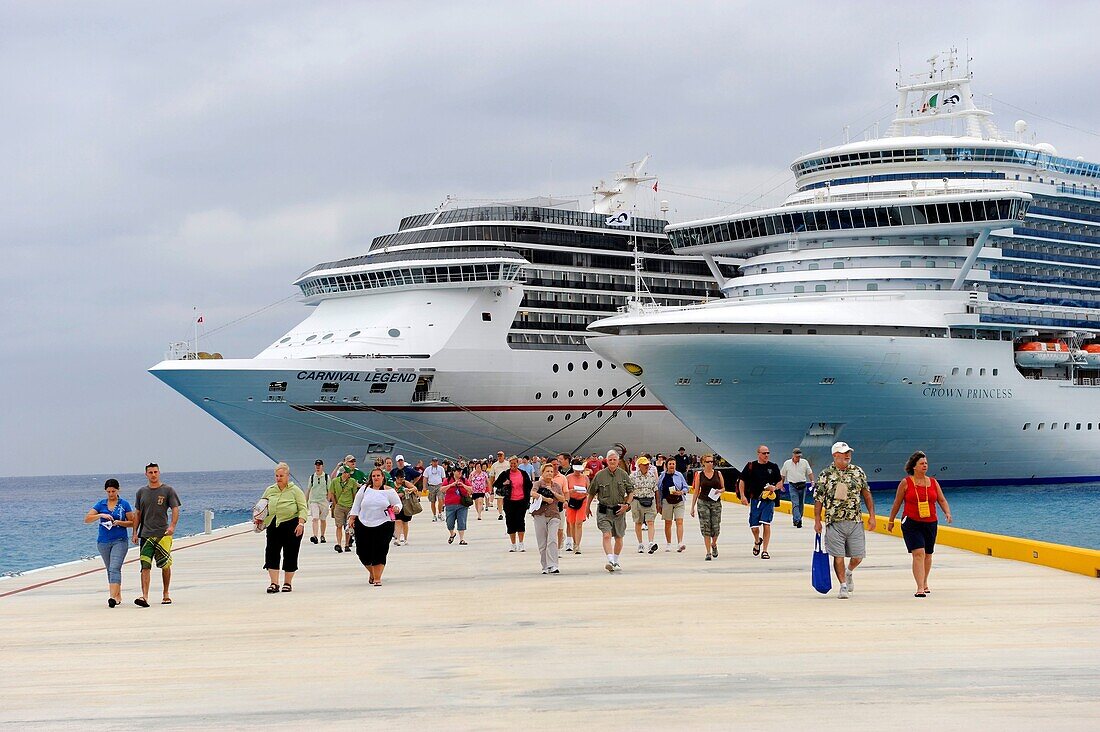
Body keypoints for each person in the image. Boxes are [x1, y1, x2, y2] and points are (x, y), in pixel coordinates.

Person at [814, 442, 876, 599]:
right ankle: (842, 586)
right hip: (834, 521)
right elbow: (818, 499)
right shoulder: (825, 474)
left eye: (849, 452)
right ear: (835, 455)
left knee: (858, 556)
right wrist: (817, 520)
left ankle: (849, 572)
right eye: (843, 453)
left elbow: (866, 494)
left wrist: (872, 516)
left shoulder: (858, 472)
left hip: (855, 520)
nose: (847, 455)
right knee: (838, 555)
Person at [887, 451, 953, 597]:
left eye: (926, 463)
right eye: (922, 464)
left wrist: (947, 513)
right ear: (914, 466)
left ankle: (924, 582)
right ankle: (919, 588)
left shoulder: (933, 482)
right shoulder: (906, 483)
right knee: (918, 553)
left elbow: (941, 500)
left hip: (930, 522)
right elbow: (897, 503)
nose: (925, 466)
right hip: (911, 522)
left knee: (928, 554)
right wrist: (891, 521)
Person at [132, 463, 181, 607]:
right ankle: (145, 596)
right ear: (146, 474)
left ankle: (166, 593)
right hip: (146, 534)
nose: (153, 474)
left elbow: (175, 508)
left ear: (159, 473)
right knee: (145, 566)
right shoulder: (141, 492)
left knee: (165, 565)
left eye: (155, 472)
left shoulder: (168, 490)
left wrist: (172, 526)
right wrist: (135, 532)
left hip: (163, 534)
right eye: (150, 472)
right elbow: (138, 514)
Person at [255, 463, 307, 593]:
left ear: (288, 476)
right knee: (271, 553)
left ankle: (287, 583)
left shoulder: (295, 490)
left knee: (290, 553)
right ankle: (274, 583)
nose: (278, 478)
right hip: (274, 524)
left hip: (292, 524)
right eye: (277, 476)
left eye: (281, 476)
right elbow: (262, 506)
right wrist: (259, 519)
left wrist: (301, 523)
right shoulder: (270, 490)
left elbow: (303, 508)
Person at [348, 468, 403, 586]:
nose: (376, 478)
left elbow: (398, 503)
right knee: (362, 552)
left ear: (383, 477)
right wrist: (352, 518)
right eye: (374, 476)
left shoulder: (389, 491)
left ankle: (377, 578)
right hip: (363, 523)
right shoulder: (364, 489)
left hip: (384, 523)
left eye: (378, 475)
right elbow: (356, 504)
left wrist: (397, 508)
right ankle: (372, 572)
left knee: (380, 550)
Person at [84, 478, 135, 607]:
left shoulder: (124, 504)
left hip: (120, 540)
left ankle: (112, 597)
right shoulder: (101, 504)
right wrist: (100, 515)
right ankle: (117, 596)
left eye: (113, 491)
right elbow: (87, 519)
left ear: (118, 490)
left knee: (114, 568)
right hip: (103, 542)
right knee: (110, 569)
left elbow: (133, 522)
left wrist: (120, 522)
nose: (111, 494)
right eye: (108, 492)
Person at [587, 450, 634, 572]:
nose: (612, 462)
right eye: (610, 460)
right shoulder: (600, 475)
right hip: (604, 510)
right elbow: (591, 492)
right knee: (606, 535)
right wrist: (587, 508)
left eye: (614, 459)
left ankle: (616, 560)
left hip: (619, 511)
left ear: (618, 461)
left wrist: (627, 505)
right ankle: (611, 560)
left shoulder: (623, 475)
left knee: (619, 537)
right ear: (606, 461)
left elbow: (631, 491)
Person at [739, 446, 783, 559]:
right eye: (764, 453)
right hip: (755, 500)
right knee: (754, 527)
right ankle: (757, 540)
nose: (766, 455)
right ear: (758, 454)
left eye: (768, 453)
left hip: (768, 500)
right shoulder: (751, 466)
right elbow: (742, 480)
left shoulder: (773, 467)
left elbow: (780, 482)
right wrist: (743, 496)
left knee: (766, 523)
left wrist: (775, 488)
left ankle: (765, 550)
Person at [531, 463, 567, 574]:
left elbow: (562, 498)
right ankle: (545, 565)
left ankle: (553, 565)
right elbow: (532, 493)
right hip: (540, 514)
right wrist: (545, 499)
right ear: (542, 473)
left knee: (552, 540)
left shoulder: (556, 486)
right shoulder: (538, 484)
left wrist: (553, 492)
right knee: (542, 542)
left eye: (551, 471)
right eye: (547, 471)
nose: (550, 473)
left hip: (553, 514)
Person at [690, 454, 726, 561]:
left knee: (715, 526)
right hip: (703, 502)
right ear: (703, 463)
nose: (710, 463)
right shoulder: (699, 475)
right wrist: (692, 507)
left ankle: (714, 544)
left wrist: (719, 491)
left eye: (711, 461)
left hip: (715, 503)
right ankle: (708, 552)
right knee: (706, 526)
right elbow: (696, 491)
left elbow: (723, 487)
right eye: (708, 462)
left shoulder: (718, 474)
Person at [493, 455, 532, 551]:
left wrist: (528, 498)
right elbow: (496, 484)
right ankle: (513, 544)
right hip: (509, 502)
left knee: (520, 521)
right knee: (510, 522)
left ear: (518, 463)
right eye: (511, 464)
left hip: (521, 501)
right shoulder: (505, 474)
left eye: (514, 463)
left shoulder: (523, 474)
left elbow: (529, 485)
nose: (513, 465)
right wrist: (503, 483)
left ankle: (521, 543)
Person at [657, 457, 689, 552]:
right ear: (666, 465)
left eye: (673, 464)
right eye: (670, 464)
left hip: (679, 501)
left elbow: (686, 487)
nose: (672, 466)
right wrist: (659, 504)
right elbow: (659, 489)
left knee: (679, 521)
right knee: (668, 523)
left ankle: (680, 543)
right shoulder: (662, 476)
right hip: (667, 501)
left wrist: (681, 492)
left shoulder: (679, 475)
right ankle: (668, 543)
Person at [328, 461, 360, 553]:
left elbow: (354, 494)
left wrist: (354, 506)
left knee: (348, 526)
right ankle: (339, 544)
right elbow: (332, 493)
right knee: (339, 525)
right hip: (339, 506)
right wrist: (335, 504)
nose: (348, 475)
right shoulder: (335, 481)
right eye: (347, 473)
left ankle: (346, 544)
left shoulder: (352, 482)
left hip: (349, 506)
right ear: (343, 473)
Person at [630, 456, 659, 554]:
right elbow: (629, 491)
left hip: (650, 500)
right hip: (637, 501)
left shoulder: (651, 476)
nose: (647, 466)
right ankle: (640, 544)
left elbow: (656, 490)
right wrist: (628, 503)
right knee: (638, 523)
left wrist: (658, 503)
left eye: (648, 464)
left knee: (650, 522)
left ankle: (651, 542)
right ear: (639, 466)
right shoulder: (633, 476)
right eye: (645, 464)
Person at [780, 448, 814, 529]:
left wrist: (812, 481)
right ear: (793, 455)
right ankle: (798, 520)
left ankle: (797, 519)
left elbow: (810, 472)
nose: (798, 458)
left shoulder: (804, 462)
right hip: (792, 486)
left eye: (799, 456)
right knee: (795, 503)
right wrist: (781, 484)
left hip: (802, 485)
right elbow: (783, 475)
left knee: (801, 504)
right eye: (797, 456)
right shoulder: (787, 463)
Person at [563, 462, 590, 554]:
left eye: (579, 470)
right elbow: (565, 491)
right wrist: (571, 491)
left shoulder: (585, 478)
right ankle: (574, 542)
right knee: (572, 523)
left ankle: (577, 545)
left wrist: (587, 493)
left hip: (582, 501)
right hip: (571, 501)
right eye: (576, 470)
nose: (578, 472)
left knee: (579, 523)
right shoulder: (568, 478)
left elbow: (589, 490)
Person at [442, 467, 473, 545]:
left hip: (462, 504)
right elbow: (442, 489)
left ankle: (461, 539)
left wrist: (463, 485)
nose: (460, 473)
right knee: (449, 522)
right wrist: (451, 485)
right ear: (453, 472)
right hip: (450, 504)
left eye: (461, 471)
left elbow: (471, 489)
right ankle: (452, 534)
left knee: (462, 521)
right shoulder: (448, 480)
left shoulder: (464, 480)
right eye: (458, 471)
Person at [306, 459, 330, 544]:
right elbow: (308, 489)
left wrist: (328, 500)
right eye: (316, 465)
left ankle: (322, 535)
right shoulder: (312, 477)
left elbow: (329, 489)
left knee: (323, 519)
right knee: (315, 518)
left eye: (319, 465)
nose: (318, 467)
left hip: (323, 501)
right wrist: (305, 501)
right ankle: (315, 536)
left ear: (322, 466)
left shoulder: (326, 477)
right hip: (314, 501)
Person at [392, 472, 419, 545]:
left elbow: (414, 488)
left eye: (403, 478)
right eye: (400, 479)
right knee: (398, 521)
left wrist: (409, 490)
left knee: (405, 522)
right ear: (396, 478)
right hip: (397, 505)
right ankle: (397, 538)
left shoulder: (405, 483)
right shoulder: (392, 484)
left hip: (406, 505)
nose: (401, 480)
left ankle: (405, 538)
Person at [423, 457, 447, 523]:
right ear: (431, 462)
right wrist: (424, 487)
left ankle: (440, 513)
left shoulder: (441, 468)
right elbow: (425, 478)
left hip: (439, 485)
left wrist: (444, 486)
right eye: (434, 461)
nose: (435, 463)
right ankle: (434, 515)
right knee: (432, 501)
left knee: (440, 499)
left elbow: (444, 478)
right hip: (431, 486)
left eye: (436, 461)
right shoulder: (427, 469)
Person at [488, 450, 509, 520]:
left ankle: (507, 512)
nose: (499, 457)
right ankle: (500, 514)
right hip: (498, 484)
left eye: (501, 455)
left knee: (507, 499)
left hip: (507, 484)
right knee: (499, 499)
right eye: (498, 456)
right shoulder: (494, 465)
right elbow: (491, 476)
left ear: (504, 456)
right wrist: (491, 486)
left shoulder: (508, 464)